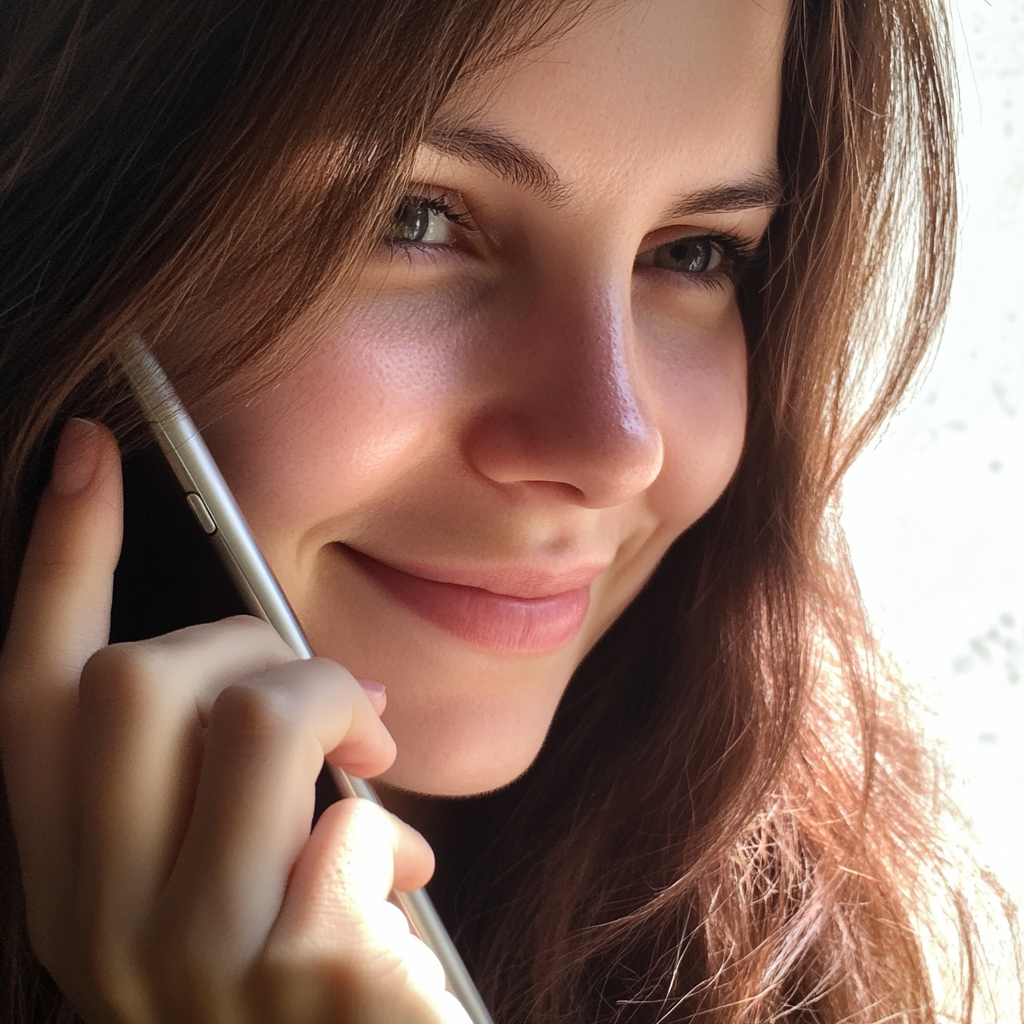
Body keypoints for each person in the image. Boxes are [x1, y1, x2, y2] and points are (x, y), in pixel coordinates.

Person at [0, 0, 1009, 1021]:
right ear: (71, 251)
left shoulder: (840, 946)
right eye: (414, 218)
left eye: (693, 252)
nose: (613, 448)